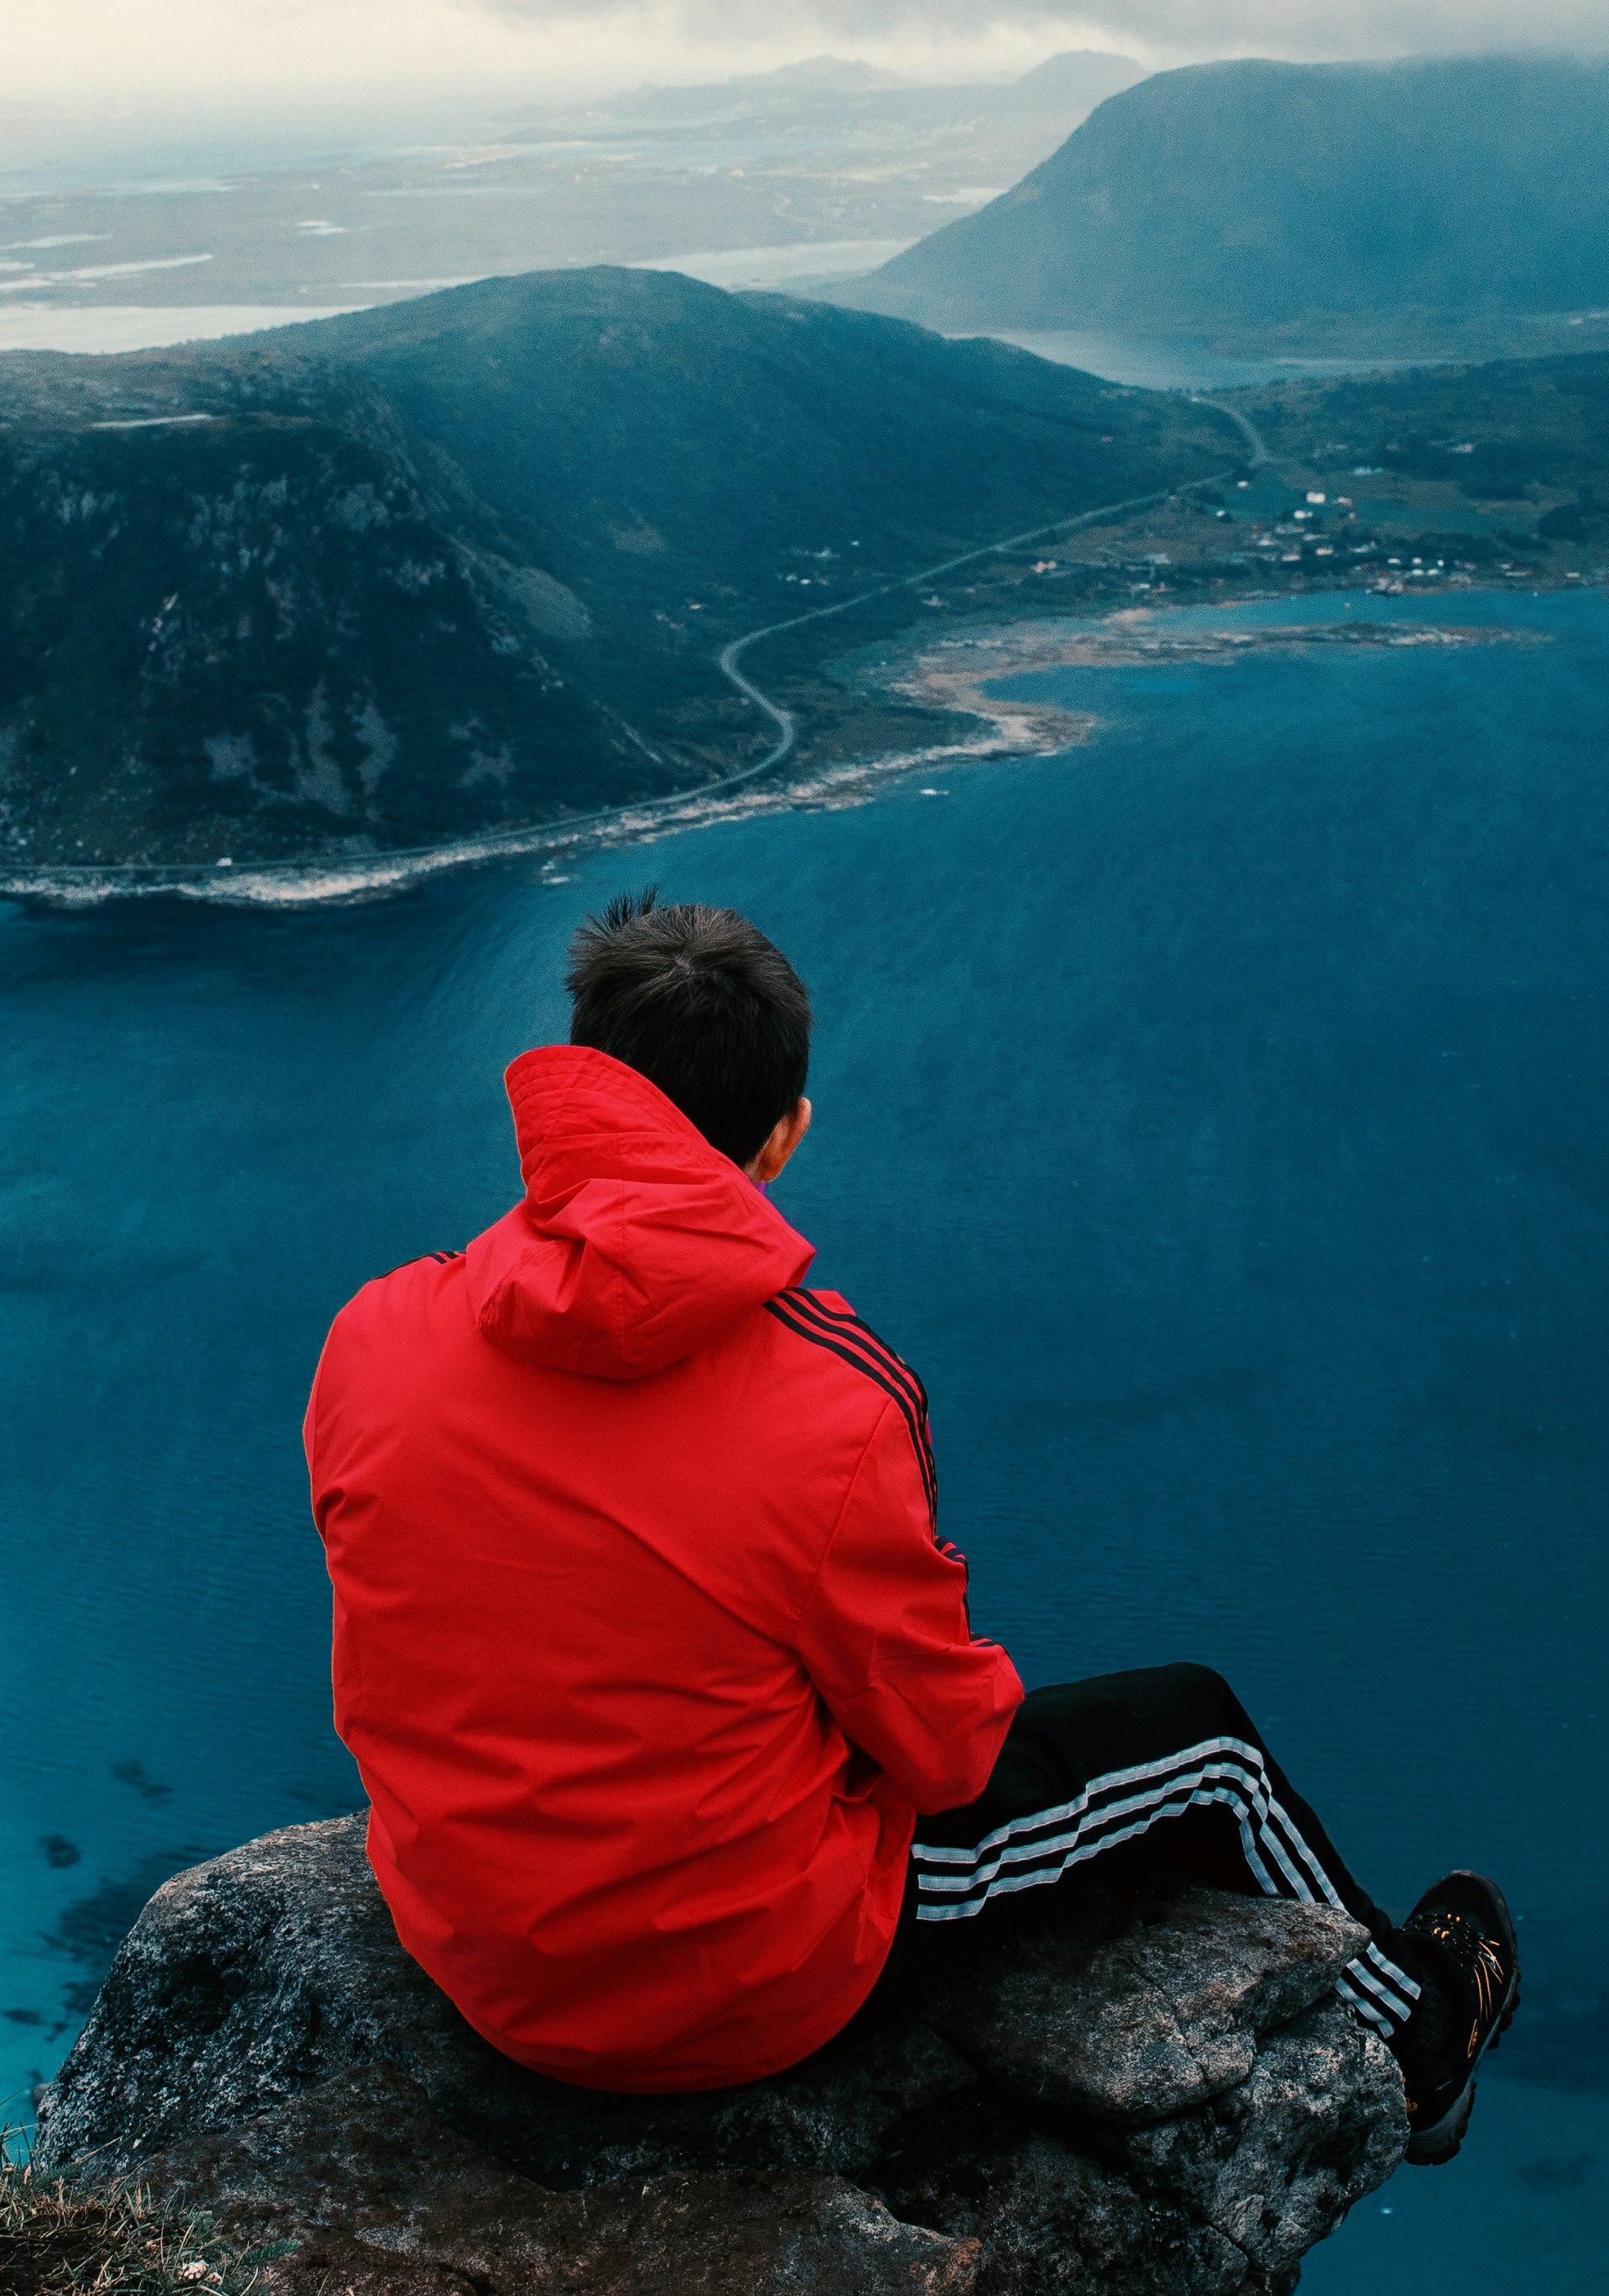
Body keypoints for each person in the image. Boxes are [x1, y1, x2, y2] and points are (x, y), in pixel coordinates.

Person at [304, 891, 1519, 2151]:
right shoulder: (829, 1401)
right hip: (732, 1990)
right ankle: (1422, 2044)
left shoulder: (374, 1333)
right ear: (781, 1138)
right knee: (1201, 1739)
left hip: (467, 1938)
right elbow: (947, 1754)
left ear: (574, 1098)